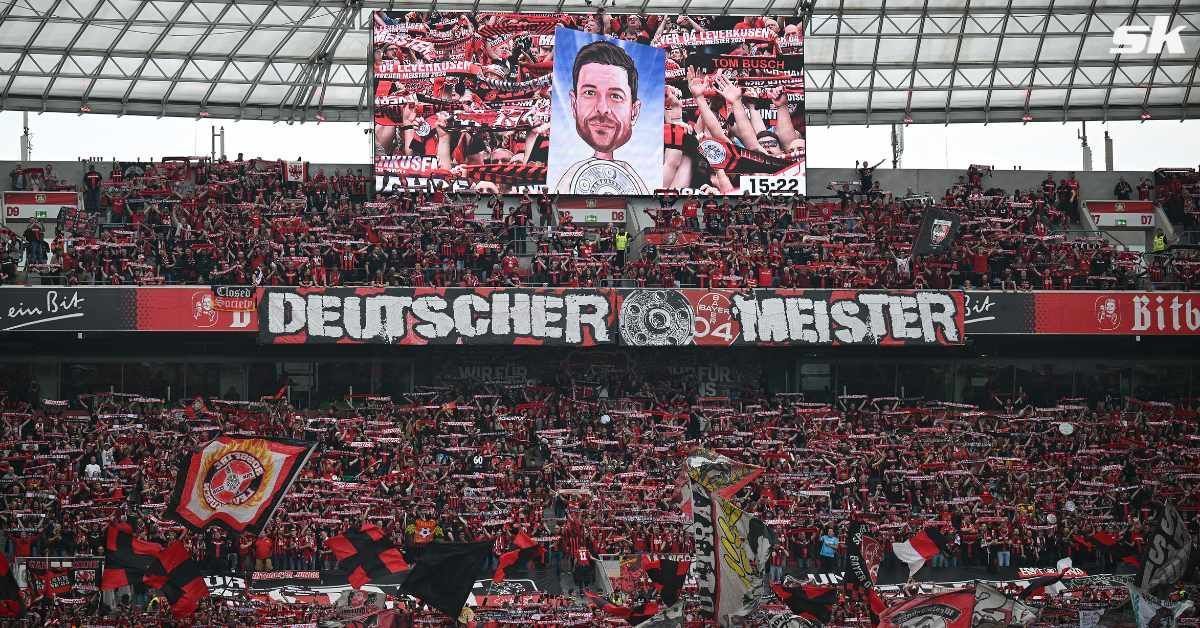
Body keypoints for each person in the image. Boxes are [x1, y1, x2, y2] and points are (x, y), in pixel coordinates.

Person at [552, 40, 651, 194]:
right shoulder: (568, 179)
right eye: (590, 93)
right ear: (574, 104)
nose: (602, 109)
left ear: (634, 111)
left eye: (615, 96)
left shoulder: (635, 180)